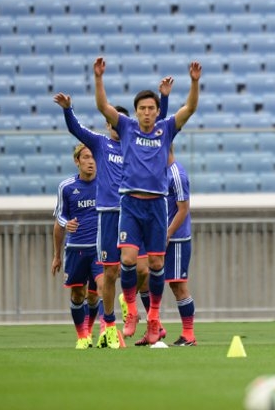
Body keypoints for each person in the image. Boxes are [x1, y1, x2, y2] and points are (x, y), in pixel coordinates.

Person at [94, 56, 202, 345]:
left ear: (156, 112)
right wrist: (99, 78)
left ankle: (154, 318)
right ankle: (130, 312)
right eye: (142, 108)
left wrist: (194, 82)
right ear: (137, 111)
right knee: (127, 260)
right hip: (130, 203)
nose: (146, 112)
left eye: (151, 108)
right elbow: (103, 107)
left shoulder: (165, 129)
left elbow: (190, 108)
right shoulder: (126, 127)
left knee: (155, 265)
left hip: (156, 205)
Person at [54, 85, 171, 349]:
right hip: (109, 213)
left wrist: (163, 99)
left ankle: (129, 303)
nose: (116, 126)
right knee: (109, 272)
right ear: (108, 124)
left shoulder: (135, 140)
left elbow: (160, 124)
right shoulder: (100, 143)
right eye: (112, 122)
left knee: (142, 267)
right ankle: (108, 324)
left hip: (135, 209)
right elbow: (77, 130)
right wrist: (68, 110)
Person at [51, 143, 103, 349]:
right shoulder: (66, 187)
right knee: (78, 294)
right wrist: (57, 256)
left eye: (94, 157)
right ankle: (81, 336)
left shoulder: (105, 183)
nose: (91, 162)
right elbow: (60, 217)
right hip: (76, 249)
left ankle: (91, 332)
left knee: (97, 291)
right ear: (77, 161)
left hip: (99, 249)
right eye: (86, 157)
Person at [162, 145, 197, 346]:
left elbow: (183, 209)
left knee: (178, 285)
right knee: (145, 278)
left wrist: (168, 232)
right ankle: (155, 327)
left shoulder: (176, 174)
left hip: (176, 239)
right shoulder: (160, 171)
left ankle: (189, 334)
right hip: (160, 237)